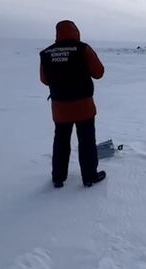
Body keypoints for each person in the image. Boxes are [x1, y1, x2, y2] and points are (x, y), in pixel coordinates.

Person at [40, 20, 106, 188]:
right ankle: (89, 176)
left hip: (60, 108)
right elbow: (98, 72)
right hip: (83, 105)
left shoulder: (46, 53)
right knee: (86, 141)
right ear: (76, 32)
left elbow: (44, 79)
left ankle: (58, 177)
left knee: (61, 140)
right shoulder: (83, 49)